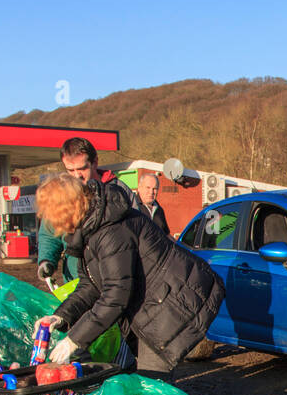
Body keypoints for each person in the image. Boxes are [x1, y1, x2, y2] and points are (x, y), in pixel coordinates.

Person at [33, 174, 224, 380]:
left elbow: (116, 294)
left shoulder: (111, 231)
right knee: (140, 383)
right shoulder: (91, 230)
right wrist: (61, 316)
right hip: (149, 305)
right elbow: (90, 285)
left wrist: (75, 340)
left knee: (153, 386)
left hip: (169, 304)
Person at [37, 137, 134, 284]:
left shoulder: (120, 192)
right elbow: (50, 233)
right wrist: (46, 260)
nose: (77, 175)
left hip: (114, 278)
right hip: (76, 280)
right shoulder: (63, 193)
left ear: (95, 162)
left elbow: (134, 234)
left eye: (82, 168)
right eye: (70, 170)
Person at [133, 172, 171, 238]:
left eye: (155, 189)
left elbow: (166, 235)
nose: (151, 192)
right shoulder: (132, 207)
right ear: (139, 187)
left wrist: (178, 246)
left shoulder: (159, 210)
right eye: (148, 187)